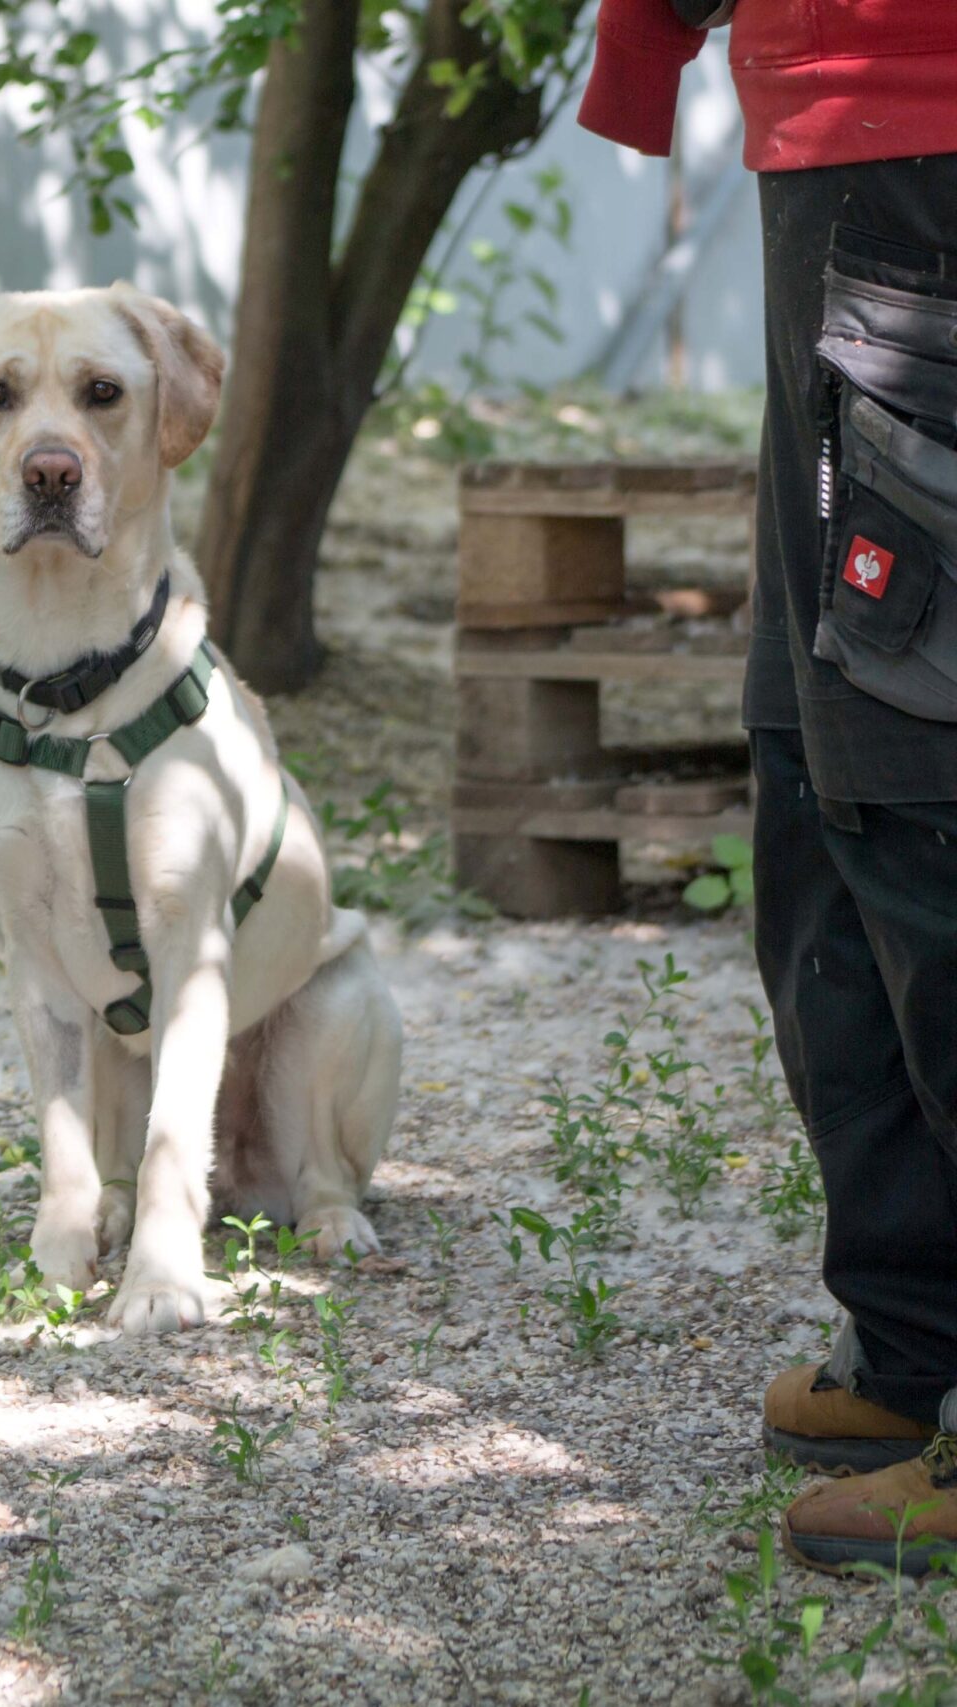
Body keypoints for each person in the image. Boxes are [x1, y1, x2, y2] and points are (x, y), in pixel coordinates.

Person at [579, 0, 957, 1575]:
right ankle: (910, 1341)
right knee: (819, 778)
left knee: (923, 788)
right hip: (840, 141)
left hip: (924, 125)